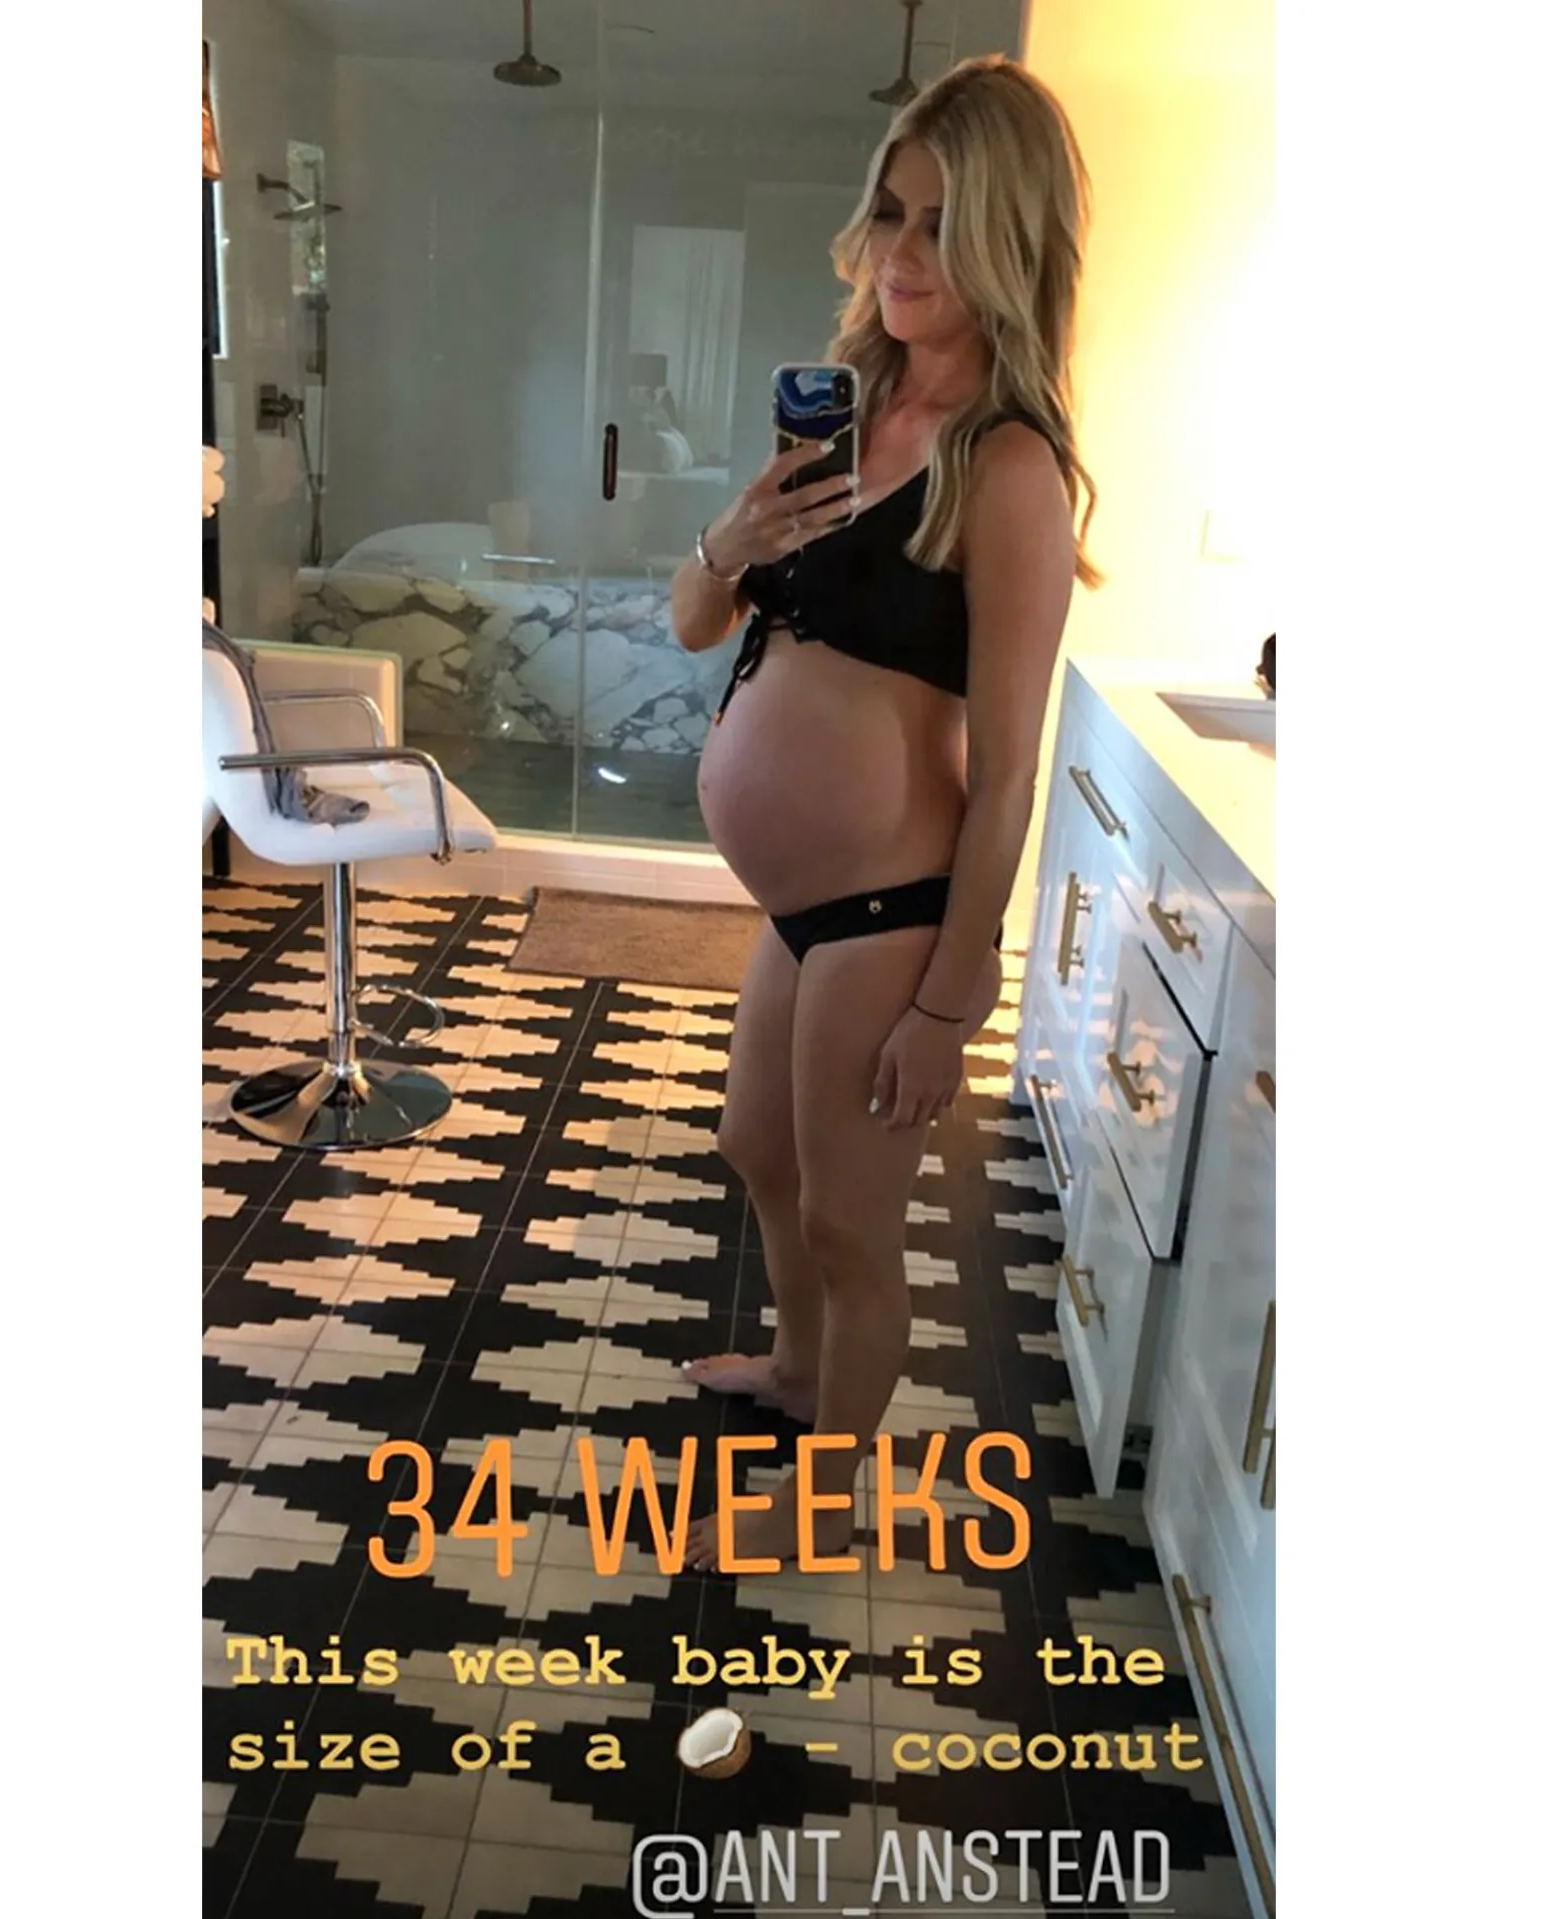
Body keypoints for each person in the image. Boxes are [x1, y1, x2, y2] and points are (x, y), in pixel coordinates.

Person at [668, 56, 1099, 1572]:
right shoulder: (844, 415)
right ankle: (799, 1375)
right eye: (893, 214)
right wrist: (730, 533)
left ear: (1010, 242)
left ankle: (830, 1489)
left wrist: (950, 998)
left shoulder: (1008, 468)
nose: (902, 255)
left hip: (890, 912)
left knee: (855, 1224)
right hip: (802, 906)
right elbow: (692, 625)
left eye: (942, 225)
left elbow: (1010, 764)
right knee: (758, 1151)